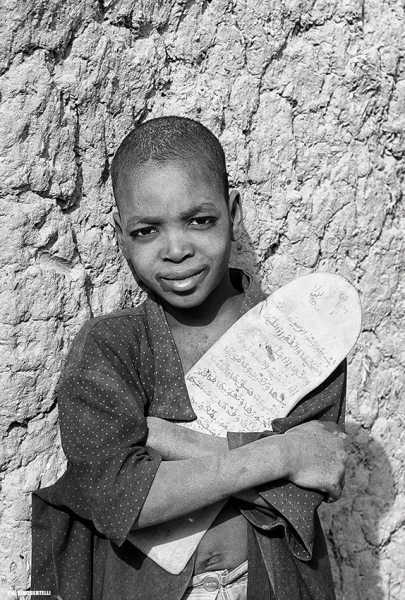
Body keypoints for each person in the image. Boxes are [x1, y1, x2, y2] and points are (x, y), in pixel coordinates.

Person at [31, 116, 348, 600]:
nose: (176, 250)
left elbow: (303, 490)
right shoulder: (111, 347)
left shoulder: (304, 339)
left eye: (200, 220)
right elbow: (121, 499)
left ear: (233, 213)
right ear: (120, 235)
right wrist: (281, 454)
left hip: (273, 584)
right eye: (146, 231)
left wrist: (161, 437)